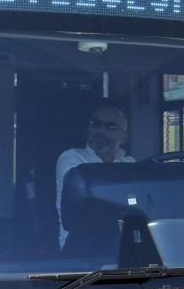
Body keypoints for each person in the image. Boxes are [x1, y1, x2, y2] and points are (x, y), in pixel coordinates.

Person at [54, 101, 134, 246]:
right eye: (95, 124)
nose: (100, 130)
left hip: (123, 247)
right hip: (80, 251)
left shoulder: (129, 164)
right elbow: (84, 190)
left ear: (123, 137)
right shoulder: (71, 158)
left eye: (111, 126)